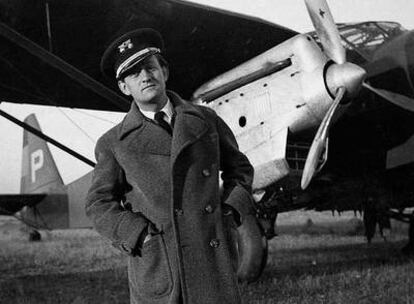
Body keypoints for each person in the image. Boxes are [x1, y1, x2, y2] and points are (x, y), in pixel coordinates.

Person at [86, 28, 254, 304]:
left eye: (150, 67)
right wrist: (138, 235)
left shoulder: (206, 120)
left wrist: (230, 212)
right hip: (161, 263)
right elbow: (98, 203)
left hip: (211, 256)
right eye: (134, 73)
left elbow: (241, 169)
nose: (145, 77)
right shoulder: (113, 143)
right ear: (124, 87)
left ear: (164, 71)